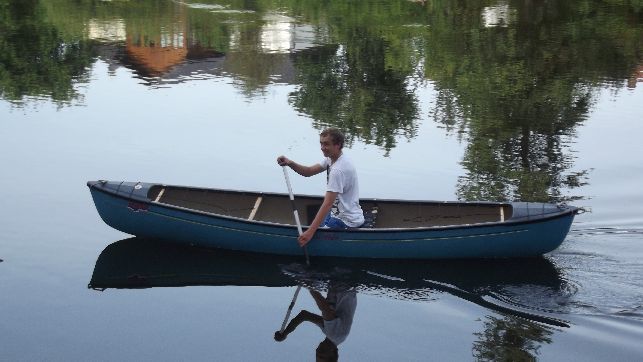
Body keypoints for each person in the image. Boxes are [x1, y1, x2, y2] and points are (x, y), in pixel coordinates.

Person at [277, 128, 364, 247]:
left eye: (326, 144)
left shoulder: (338, 170)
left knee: (315, 232)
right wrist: (290, 163)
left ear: (337, 145)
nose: (322, 147)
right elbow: (308, 171)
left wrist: (309, 233)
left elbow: (327, 204)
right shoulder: (332, 159)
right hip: (339, 213)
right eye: (321, 143)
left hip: (346, 221)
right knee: (317, 221)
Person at [274, 283, 357, 362]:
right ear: (333, 354)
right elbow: (325, 308)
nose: (318, 352)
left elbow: (304, 315)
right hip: (342, 281)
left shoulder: (333, 334)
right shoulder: (334, 334)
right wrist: (308, 285)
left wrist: (286, 332)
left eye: (317, 356)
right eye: (322, 356)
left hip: (343, 283)